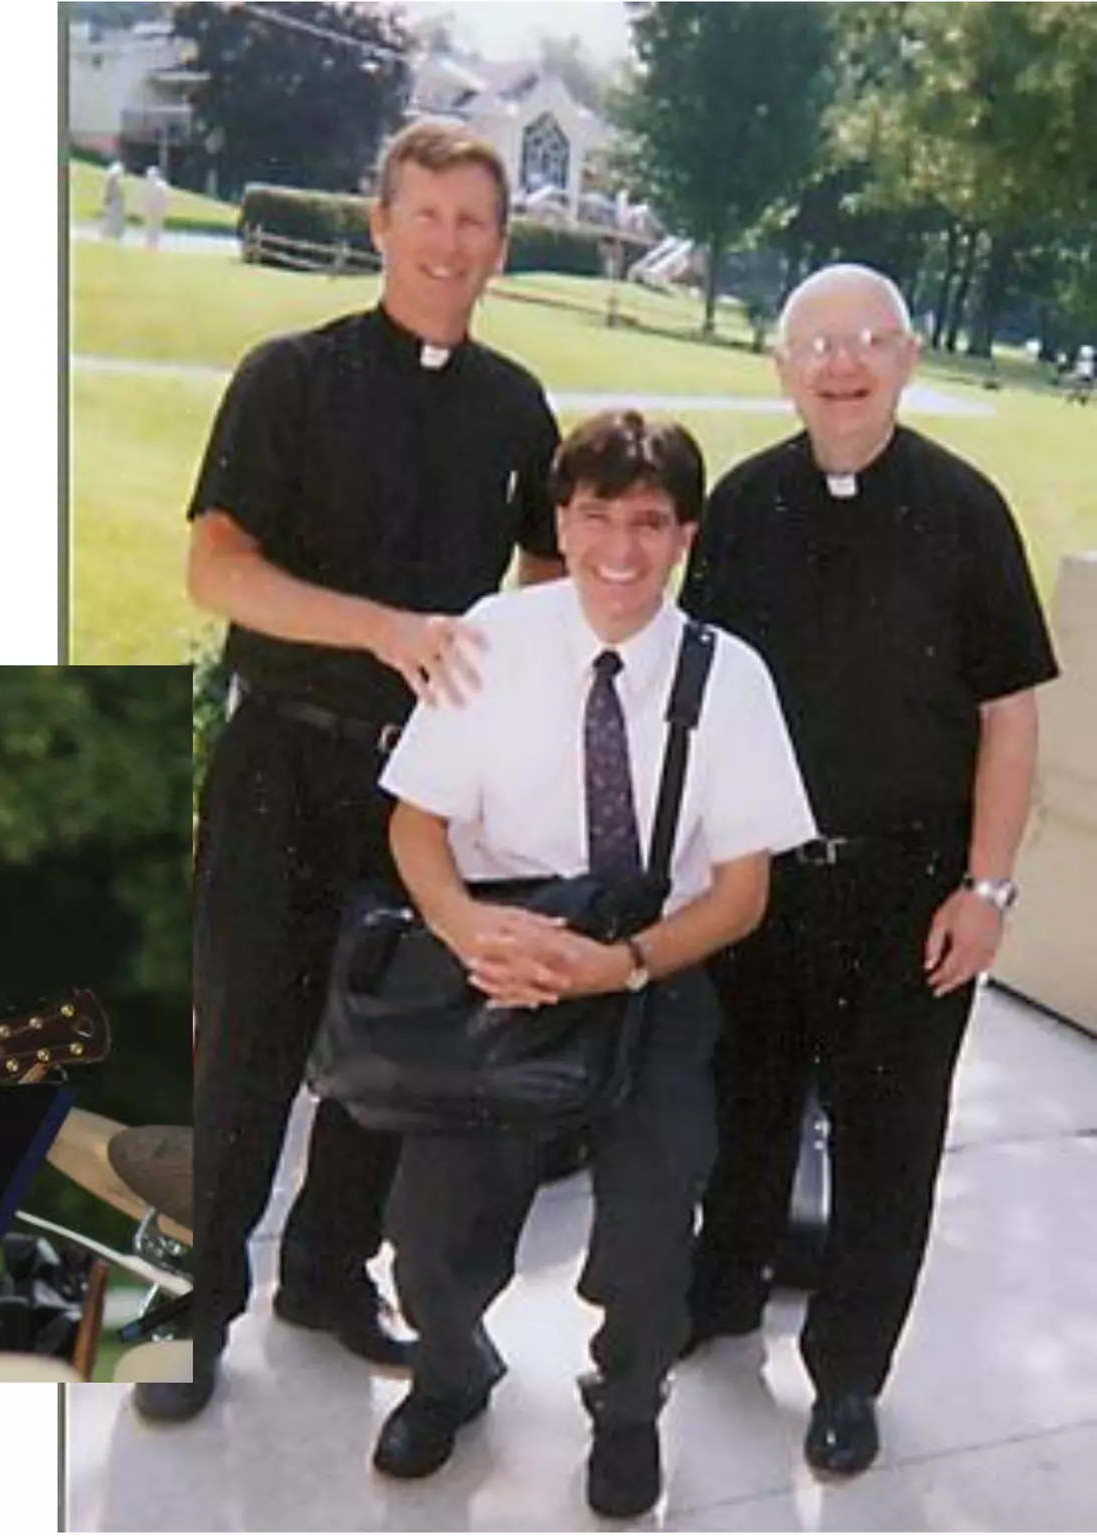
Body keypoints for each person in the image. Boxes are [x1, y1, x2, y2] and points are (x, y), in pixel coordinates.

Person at [143, 120, 566, 1424]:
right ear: (379, 224)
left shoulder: (515, 407)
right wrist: (384, 628)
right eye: (426, 216)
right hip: (282, 759)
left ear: (501, 245)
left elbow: (546, 575)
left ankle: (326, 1277)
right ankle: (191, 1307)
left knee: (389, 1052)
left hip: (424, 789)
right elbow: (216, 569)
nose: (449, 244)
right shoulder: (290, 377)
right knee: (245, 1051)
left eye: (473, 223)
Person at [373, 410, 817, 1517]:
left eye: (648, 523)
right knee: (427, 1238)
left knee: (654, 1227)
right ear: (559, 523)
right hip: (499, 955)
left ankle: (625, 1410)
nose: (618, 552)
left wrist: (613, 967)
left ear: (684, 537)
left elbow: (739, 894)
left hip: (647, 969)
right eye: (593, 518)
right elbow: (415, 826)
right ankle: (450, 1370)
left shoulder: (730, 679)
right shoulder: (490, 636)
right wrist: (467, 931)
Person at [681, 263, 1058, 1474]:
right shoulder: (740, 504)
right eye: (814, 344)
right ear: (782, 368)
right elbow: (694, 701)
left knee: (887, 1145)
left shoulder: (964, 510)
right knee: (738, 1110)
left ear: (903, 358)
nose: (838, 364)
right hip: (758, 882)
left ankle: (846, 1375)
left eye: (863, 342)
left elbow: (1008, 716)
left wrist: (987, 889)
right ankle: (720, 1291)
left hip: (910, 896)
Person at [141, 164, 168, 248]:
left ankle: (154, 242)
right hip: (151, 208)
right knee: (150, 225)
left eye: (151, 176)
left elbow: (164, 198)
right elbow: (146, 196)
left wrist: (162, 207)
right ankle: (149, 242)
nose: (149, 177)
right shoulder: (149, 184)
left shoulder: (161, 185)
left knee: (155, 226)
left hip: (158, 209)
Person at [102, 160, 127, 242]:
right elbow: (109, 192)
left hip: (116, 203)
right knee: (111, 220)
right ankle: (108, 235)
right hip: (114, 203)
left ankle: (115, 236)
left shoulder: (117, 181)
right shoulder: (112, 181)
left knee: (115, 220)